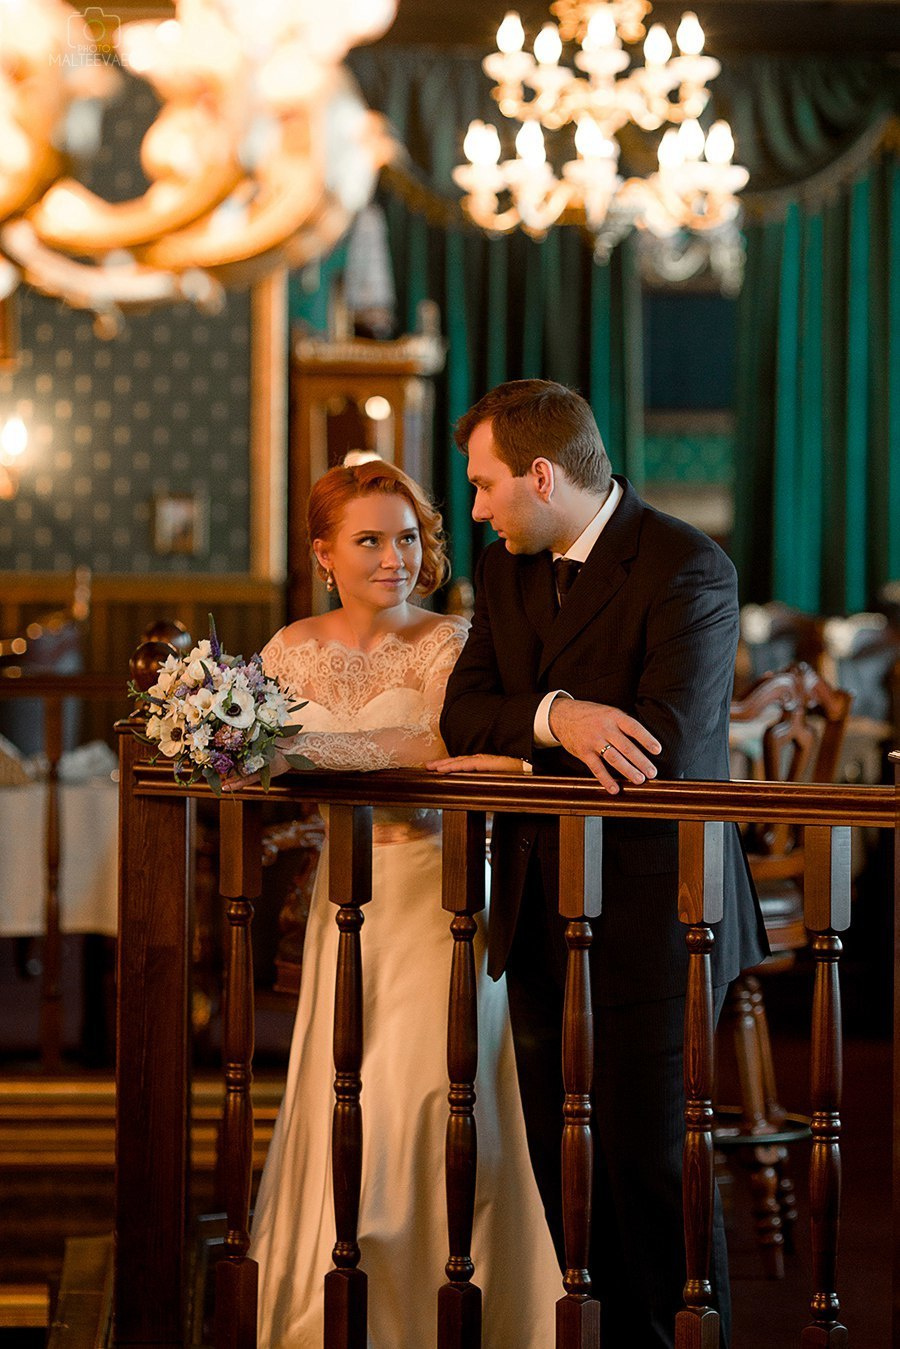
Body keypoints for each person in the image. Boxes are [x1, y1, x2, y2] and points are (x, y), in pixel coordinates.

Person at [435, 380, 769, 1349]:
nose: (477, 507)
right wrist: (558, 717)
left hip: (663, 907)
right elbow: (465, 715)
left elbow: (659, 742)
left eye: (487, 484)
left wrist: (533, 724)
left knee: (650, 1164)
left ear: (543, 475)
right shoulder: (504, 572)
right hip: (539, 900)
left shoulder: (685, 565)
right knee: (561, 1159)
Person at [248, 459, 560, 1348]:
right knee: (342, 1087)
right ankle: (345, 1308)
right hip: (345, 898)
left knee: (431, 1093)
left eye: (409, 537)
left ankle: (457, 1302)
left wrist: (317, 751)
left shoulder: (457, 642)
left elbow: (447, 753)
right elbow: (272, 764)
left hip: (441, 890)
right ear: (324, 553)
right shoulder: (286, 649)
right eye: (370, 540)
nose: (395, 558)